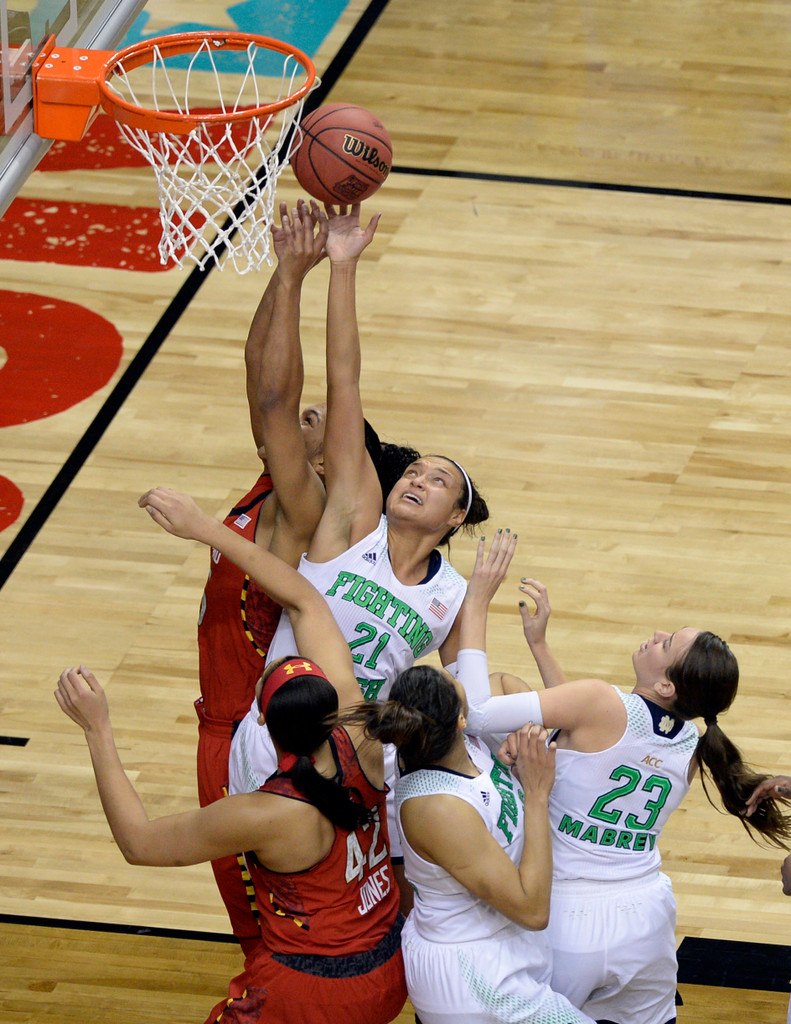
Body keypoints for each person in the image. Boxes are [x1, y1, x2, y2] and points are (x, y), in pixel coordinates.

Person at [59, 486, 408, 1024]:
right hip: (390, 970)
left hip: (311, 990)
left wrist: (97, 729)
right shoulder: (362, 738)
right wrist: (203, 527)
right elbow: (307, 601)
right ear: (331, 706)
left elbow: (139, 843)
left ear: (263, 722)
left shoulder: (266, 813)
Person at [195, 198, 417, 955]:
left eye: (313, 423)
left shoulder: (305, 504)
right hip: (239, 718)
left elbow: (272, 400)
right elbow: (261, 388)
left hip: (252, 732)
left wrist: (298, 274)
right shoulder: (280, 486)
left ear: (323, 464)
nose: (302, 418)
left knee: (276, 927)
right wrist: (284, 279)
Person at [464, 577, 791, 1024]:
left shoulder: (600, 701)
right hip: (647, 921)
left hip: (566, 916)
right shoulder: (693, 748)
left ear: (666, 686)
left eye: (667, 644)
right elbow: (588, 740)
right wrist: (540, 646)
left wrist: (476, 605)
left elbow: (479, 714)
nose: (656, 635)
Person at [338, 533, 595, 1024]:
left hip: (504, 959)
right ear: (460, 718)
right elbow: (530, 908)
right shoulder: (436, 806)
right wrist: (535, 796)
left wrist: (480, 598)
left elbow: (492, 680)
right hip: (473, 976)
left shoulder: (464, 741)